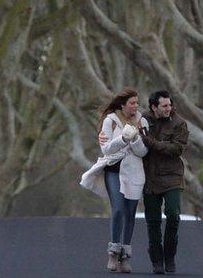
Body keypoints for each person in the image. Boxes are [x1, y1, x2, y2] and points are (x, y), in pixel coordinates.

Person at [79, 87, 149, 273]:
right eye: (132, 102)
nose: (136, 106)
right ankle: (113, 251)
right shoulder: (110, 122)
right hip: (114, 170)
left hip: (134, 172)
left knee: (130, 213)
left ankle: (125, 255)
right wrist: (124, 139)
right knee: (118, 209)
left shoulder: (142, 122)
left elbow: (143, 151)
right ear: (123, 104)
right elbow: (107, 149)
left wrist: (135, 139)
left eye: (137, 102)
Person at [141, 90, 189, 274]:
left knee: (173, 214)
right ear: (154, 107)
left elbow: (176, 149)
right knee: (152, 220)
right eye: (164, 106)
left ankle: (170, 255)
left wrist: (150, 142)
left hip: (172, 177)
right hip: (150, 177)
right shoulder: (144, 119)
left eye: (170, 105)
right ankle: (156, 258)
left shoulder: (179, 124)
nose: (169, 108)